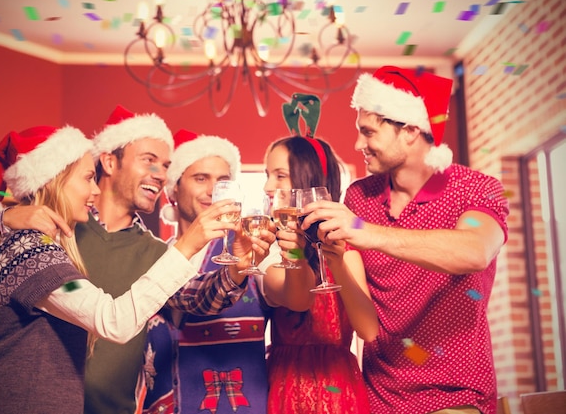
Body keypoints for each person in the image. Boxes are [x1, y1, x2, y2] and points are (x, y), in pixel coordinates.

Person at [0, 106, 266, 414]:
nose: (159, 175)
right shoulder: (45, 237)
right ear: (109, 162)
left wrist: (238, 268)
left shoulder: (151, 250)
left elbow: (198, 298)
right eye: (149, 160)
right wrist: (5, 219)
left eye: (166, 167)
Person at [301, 66, 509, 414]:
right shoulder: (359, 198)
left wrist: (368, 233)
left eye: (368, 132)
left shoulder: (474, 188)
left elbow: (475, 251)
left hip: (455, 396)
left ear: (411, 131)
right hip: (380, 398)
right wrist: (336, 256)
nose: (358, 144)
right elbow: (366, 328)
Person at [138, 130, 282, 414]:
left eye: (223, 181)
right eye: (201, 178)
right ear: (173, 190)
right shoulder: (153, 255)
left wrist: (297, 249)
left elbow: (292, 293)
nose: (213, 191)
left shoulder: (254, 247)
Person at [262, 114, 379, 412]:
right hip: (286, 387)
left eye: (279, 175)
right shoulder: (270, 252)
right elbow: (299, 299)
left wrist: (337, 261)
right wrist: (297, 253)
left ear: (307, 183)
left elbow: (368, 331)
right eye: (267, 175)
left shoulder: (347, 251)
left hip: (339, 392)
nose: (267, 186)